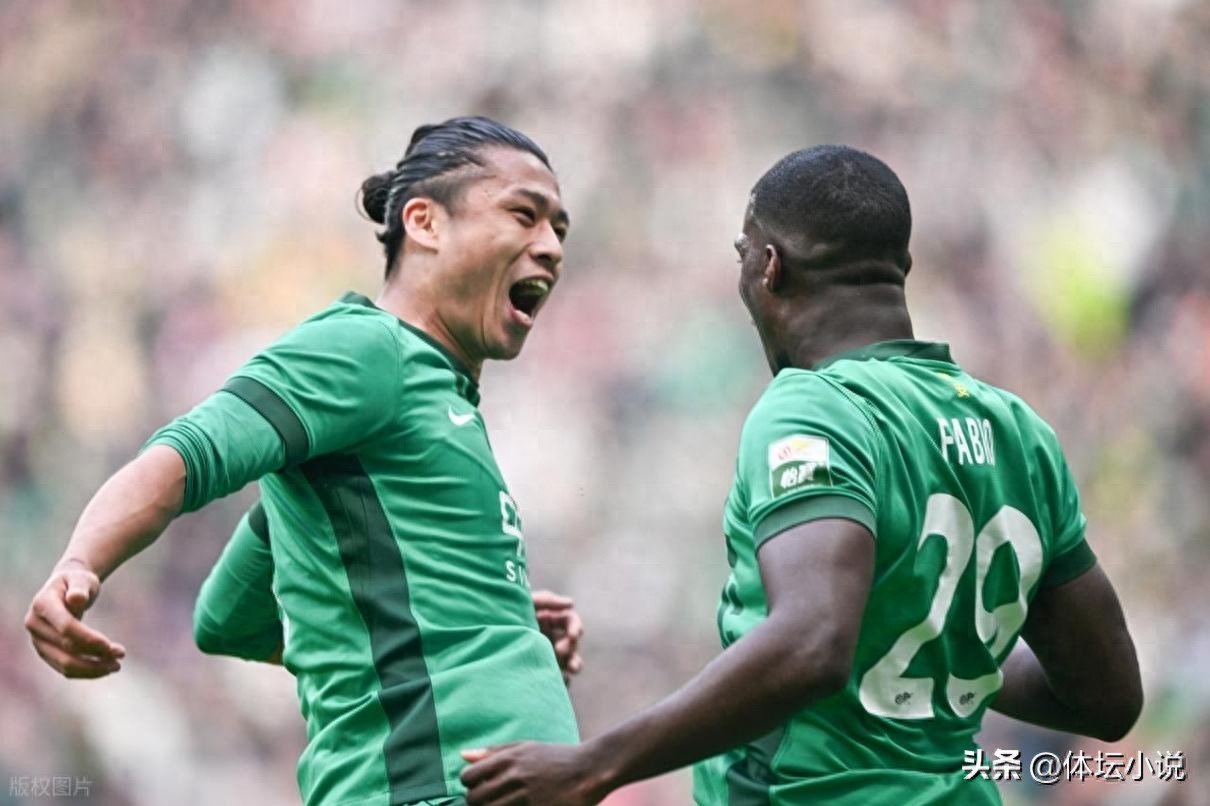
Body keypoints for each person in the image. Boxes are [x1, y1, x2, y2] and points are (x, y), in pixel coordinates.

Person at [459, 145, 1145, 805]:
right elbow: (1109, 698)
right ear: (900, 267)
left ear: (769, 266)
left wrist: (593, 766)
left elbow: (813, 642)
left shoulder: (815, 406)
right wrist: (938, 649)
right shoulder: (1017, 429)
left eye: (741, 252)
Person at [25, 115, 583, 806]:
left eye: (560, 229)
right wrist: (79, 563)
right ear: (425, 223)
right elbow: (190, 452)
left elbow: (228, 617)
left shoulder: (427, 403)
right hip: (427, 789)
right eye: (524, 215)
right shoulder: (371, 349)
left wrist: (477, 623)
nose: (550, 246)